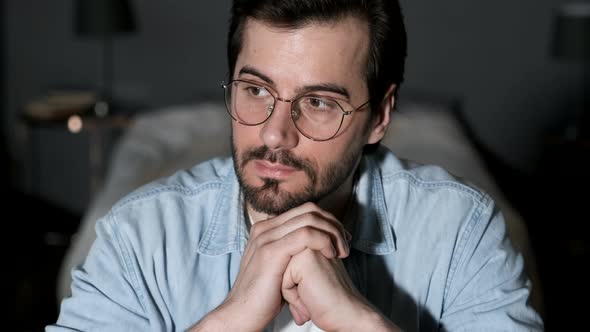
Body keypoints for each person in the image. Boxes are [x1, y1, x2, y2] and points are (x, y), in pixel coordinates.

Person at [47, 0, 543, 331]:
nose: (273, 133)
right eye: (256, 91)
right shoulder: (136, 235)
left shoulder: (461, 230)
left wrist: (358, 322)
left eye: (320, 102)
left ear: (380, 117)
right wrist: (232, 319)